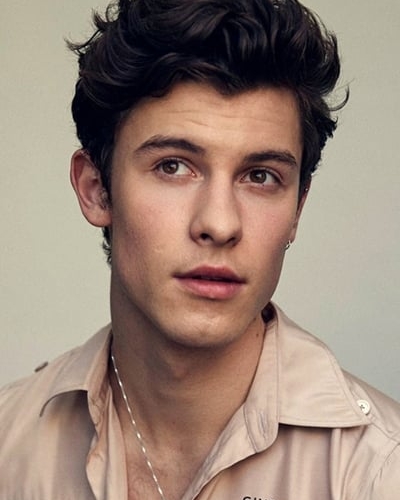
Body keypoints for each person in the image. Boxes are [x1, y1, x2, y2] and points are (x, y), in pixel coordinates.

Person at [1, 0, 399, 498]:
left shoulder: (381, 473)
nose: (219, 224)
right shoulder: (9, 445)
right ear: (96, 189)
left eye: (261, 177)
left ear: (298, 208)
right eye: (173, 166)